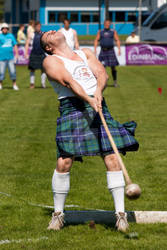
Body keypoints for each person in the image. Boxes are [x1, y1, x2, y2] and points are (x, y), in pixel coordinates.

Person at [40, 30, 139, 232]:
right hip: (73, 107)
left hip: (97, 103)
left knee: (112, 157)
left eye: (52, 30)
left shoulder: (85, 53)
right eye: (47, 35)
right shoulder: (50, 61)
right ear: (48, 47)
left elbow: (101, 73)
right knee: (65, 160)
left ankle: (121, 216)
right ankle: (58, 215)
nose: (51, 31)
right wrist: (88, 98)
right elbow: (69, 81)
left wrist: (99, 93)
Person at [94, 19, 121, 87]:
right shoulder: (100, 31)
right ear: (104, 24)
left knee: (113, 67)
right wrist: (95, 49)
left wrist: (119, 49)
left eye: (108, 23)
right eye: (106, 23)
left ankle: (115, 82)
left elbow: (117, 40)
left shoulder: (113, 31)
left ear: (110, 24)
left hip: (111, 51)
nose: (107, 25)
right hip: (103, 51)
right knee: (102, 68)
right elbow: (96, 40)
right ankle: (103, 82)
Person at [25, 21, 46, 89]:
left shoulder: (43, 34)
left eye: (39, 26)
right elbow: (27, 43)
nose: (38, 28)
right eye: (37, 26)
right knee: (32, 69)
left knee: (43, 70)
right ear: (35, 27)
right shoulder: (31, 34)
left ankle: (43, 84)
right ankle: (32, 84)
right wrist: (26, 53)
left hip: (42, 54)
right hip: (33, 53)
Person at [0, 23, 19, 90]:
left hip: (10, 58)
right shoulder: (0, 36)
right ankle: (0, 85)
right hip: (1, 58)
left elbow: (15, 45)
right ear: (1, 29)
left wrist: (17, 54)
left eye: (6, 28)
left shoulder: (11, 36)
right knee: (1, 72)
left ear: (7, 29)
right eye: (3, 28)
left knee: (13, 72)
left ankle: (14, 85)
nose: (5, 29)